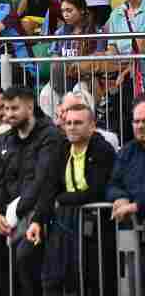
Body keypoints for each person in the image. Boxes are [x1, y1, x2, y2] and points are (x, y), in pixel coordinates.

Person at [0, 86, 65, 296]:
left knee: (27, 262)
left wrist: (14, 211)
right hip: (7, 218)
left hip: (39, 214)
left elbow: (43, 180)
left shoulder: (50, 135)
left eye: (14, 108)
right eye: (5, 108)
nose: (8, 114)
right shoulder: (3, 139)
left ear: (30, 107)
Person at [35, 102, 116, 296]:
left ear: (92, 126)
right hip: (65, 221)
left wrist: (61, 199)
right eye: (68, 122)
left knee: (91, 278)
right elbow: (49, 187)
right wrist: (37, 220)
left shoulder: (102, 150)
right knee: (54, 277)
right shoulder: (62, 149)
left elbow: (96, 191)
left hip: (95, 224)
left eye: (78, 122)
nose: (71, 126)